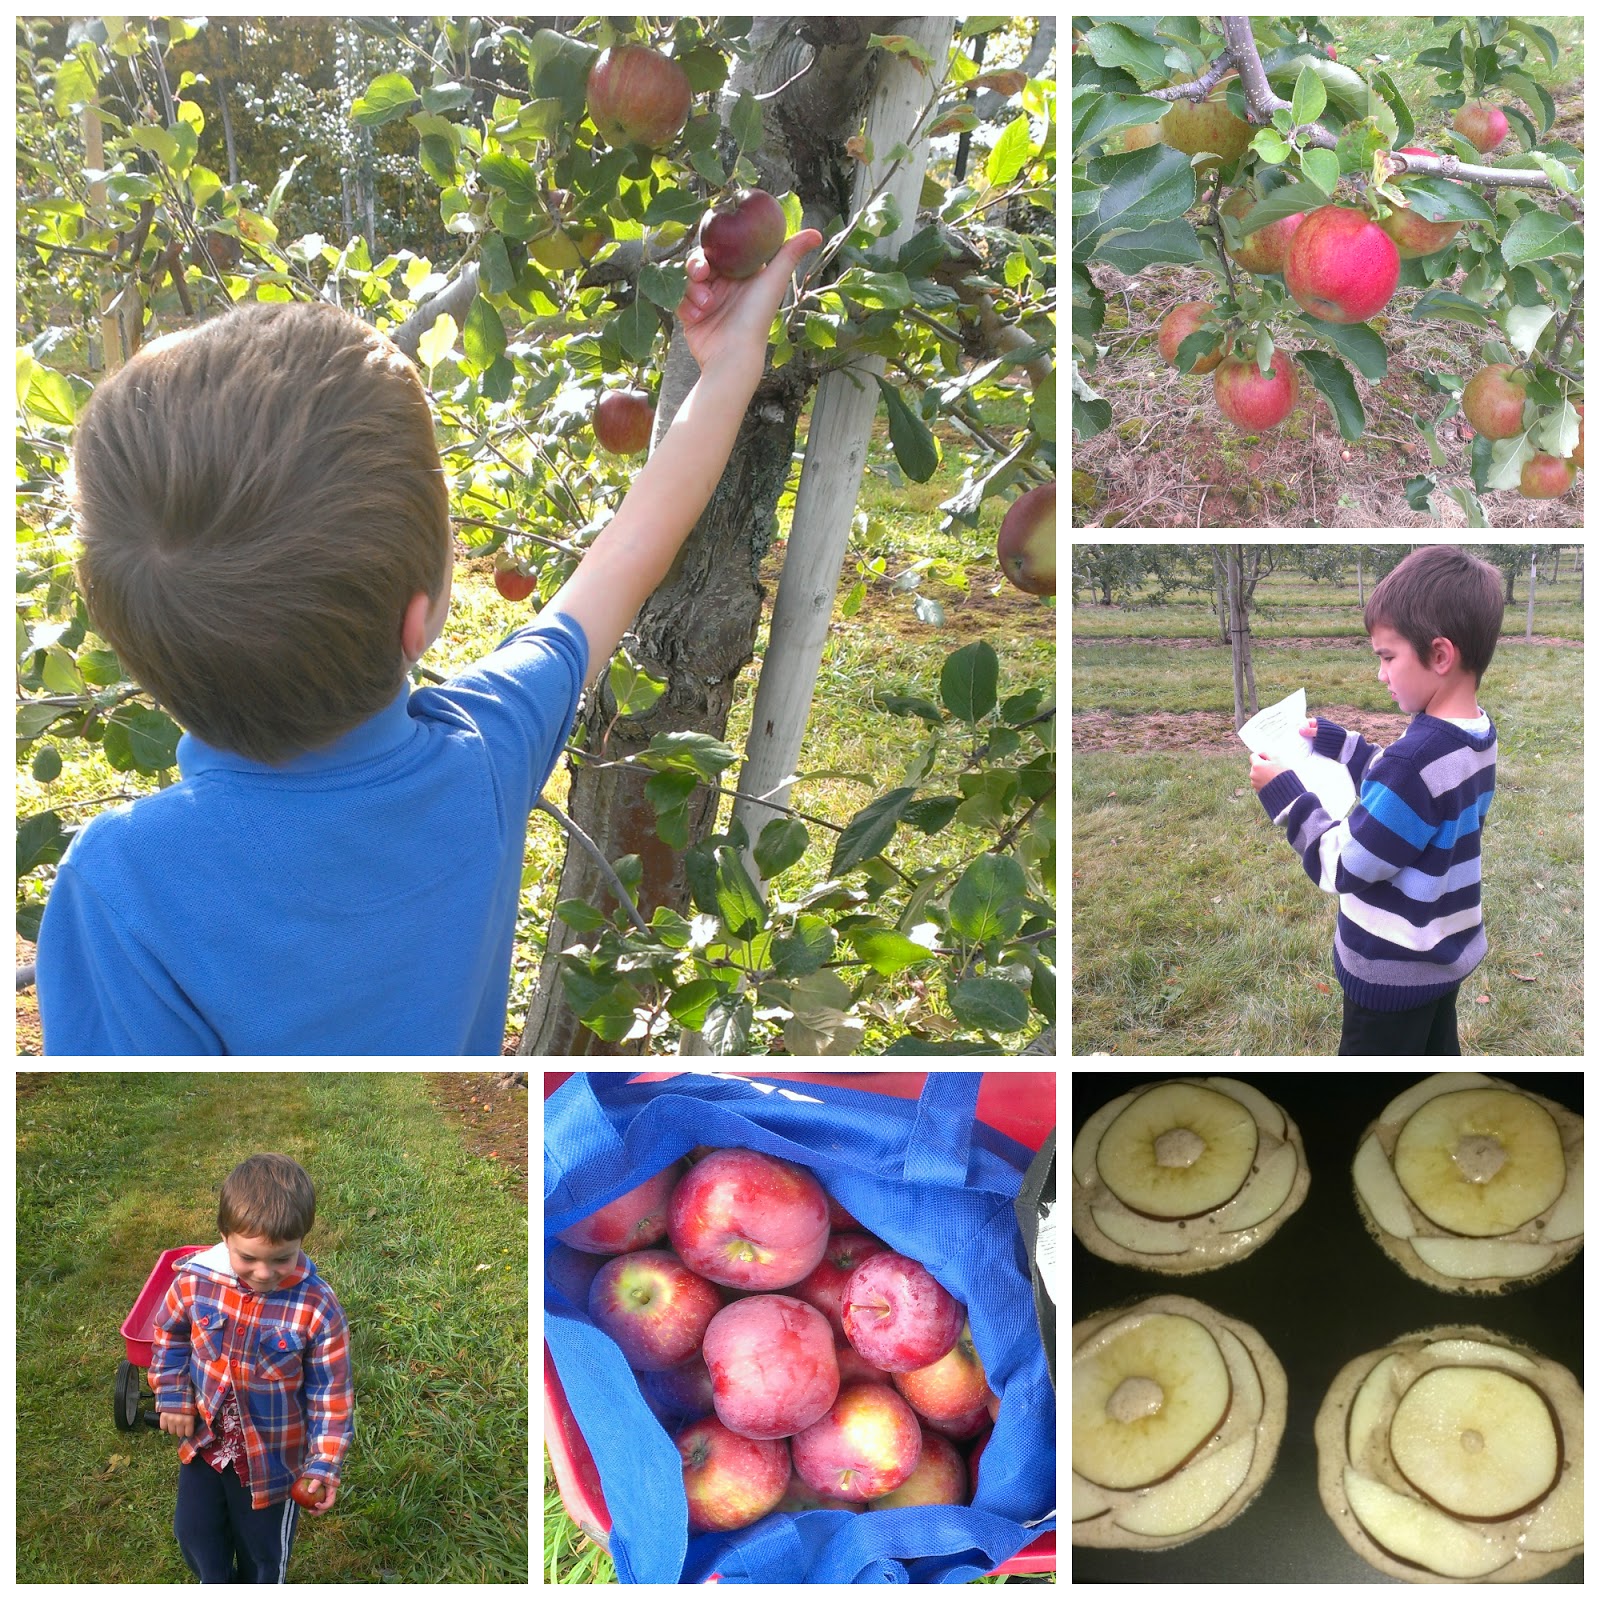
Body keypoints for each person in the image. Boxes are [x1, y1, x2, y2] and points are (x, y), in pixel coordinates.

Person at [37, 223, 823, 1052]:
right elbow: (629, 553)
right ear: (419, 621)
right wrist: (734, 359)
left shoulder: (121, 887)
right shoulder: (483, 752)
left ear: (132, 646)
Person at [1249, 546, 1501, 1055]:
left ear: (1440, 655)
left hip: (1391, 972)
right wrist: (1346, 747)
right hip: (1441, 957)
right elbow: (1413, 798)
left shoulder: (1415, 762)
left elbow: (1344, 866)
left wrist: (1286, 796)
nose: (1381, 674)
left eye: (1387, 657)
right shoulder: (1475, 735)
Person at [152, 1154, 352, 1582]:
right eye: (249, 1258)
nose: (264, 1273)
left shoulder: (317, 1308)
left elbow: (330, 1396)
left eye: (282, 1258)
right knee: (194, 1532)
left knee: (263, 1553)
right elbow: (169, 1335)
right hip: (206, 1445)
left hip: (273, 1464)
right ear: (224, 1237)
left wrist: (323, 1464)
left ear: (302, 1239)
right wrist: (172, 1395)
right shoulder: (194, 1281)